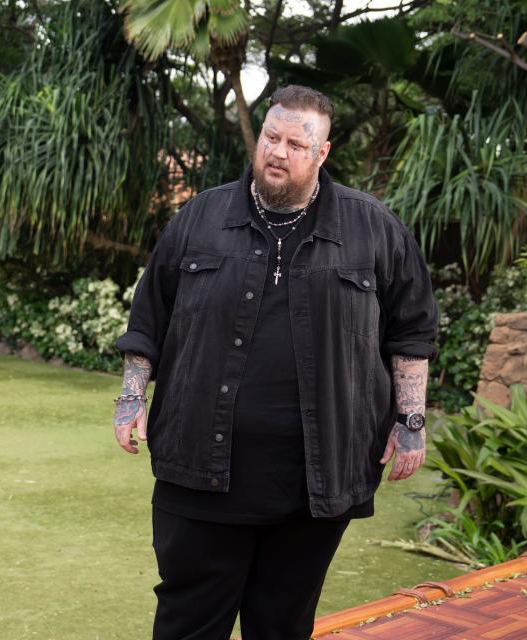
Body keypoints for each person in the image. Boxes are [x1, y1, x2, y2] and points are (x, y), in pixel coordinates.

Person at [113, 85, 437, 640]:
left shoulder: (374, 228)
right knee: (187, 624)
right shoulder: (200, 217)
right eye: (270, 137)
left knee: (283, 626)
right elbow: (148, 319)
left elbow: (412, 331)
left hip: (316, 484)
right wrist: (131, 396)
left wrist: (409, 423)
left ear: (322, 154)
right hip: (199, 474)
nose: (278, 152)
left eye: (295, 143)